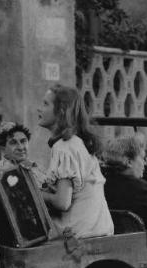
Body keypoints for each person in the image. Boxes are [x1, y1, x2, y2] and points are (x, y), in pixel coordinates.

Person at [37, 84, 113, 238]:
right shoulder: (76, 142)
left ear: (61, 112)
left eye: (45, 104)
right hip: (98, 227)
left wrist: (35, 193)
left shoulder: (64, 146)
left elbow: (62, 202)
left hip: (78, 232)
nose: (39, 109)